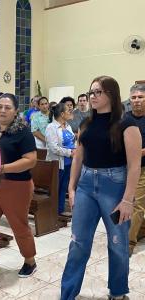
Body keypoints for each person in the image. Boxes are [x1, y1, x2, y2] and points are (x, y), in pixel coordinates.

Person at [61, 76, 141, 300]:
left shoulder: (126, 124)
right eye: (91, 92)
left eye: (98, 92)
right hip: (86, 186)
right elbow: (78, 157)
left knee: (117, 242)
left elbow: (134, 166)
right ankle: (67, 293)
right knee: (78, 241)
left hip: (114, 188)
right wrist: (72, 187)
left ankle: (117, 292)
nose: (93, 96)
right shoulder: (86, 123)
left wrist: (127, 200)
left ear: (111, 95)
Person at [0, 93, 38, 277]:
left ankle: (30, 260)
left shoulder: (22, 131)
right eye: (0, 107)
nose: (2, 110)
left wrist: (2, 168)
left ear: (16, 111)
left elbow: (31, 160)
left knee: (19, 226)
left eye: (7, 107)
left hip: (17, 186)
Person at [45, 102, 75, 216]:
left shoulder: (68, 126)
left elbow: (72, 141)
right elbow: (54, 148)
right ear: (62, 114)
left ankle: (60, 210)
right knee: (56, 188)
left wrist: (76, 150)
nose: (70, 112)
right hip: (58, 163)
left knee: (64, 187)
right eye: (68, 110)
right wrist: (70, 153)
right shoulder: (51, 127)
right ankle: (52, 212)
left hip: (69, 163)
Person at [126, 83, 145, 256]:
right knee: (126, 202)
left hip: (143, 168)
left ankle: (129, 242)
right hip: (126, 167)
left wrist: (138, 152)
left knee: (138, 205)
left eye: (140, 97)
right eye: (134, 97)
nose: (137, 101)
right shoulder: (124, 118)